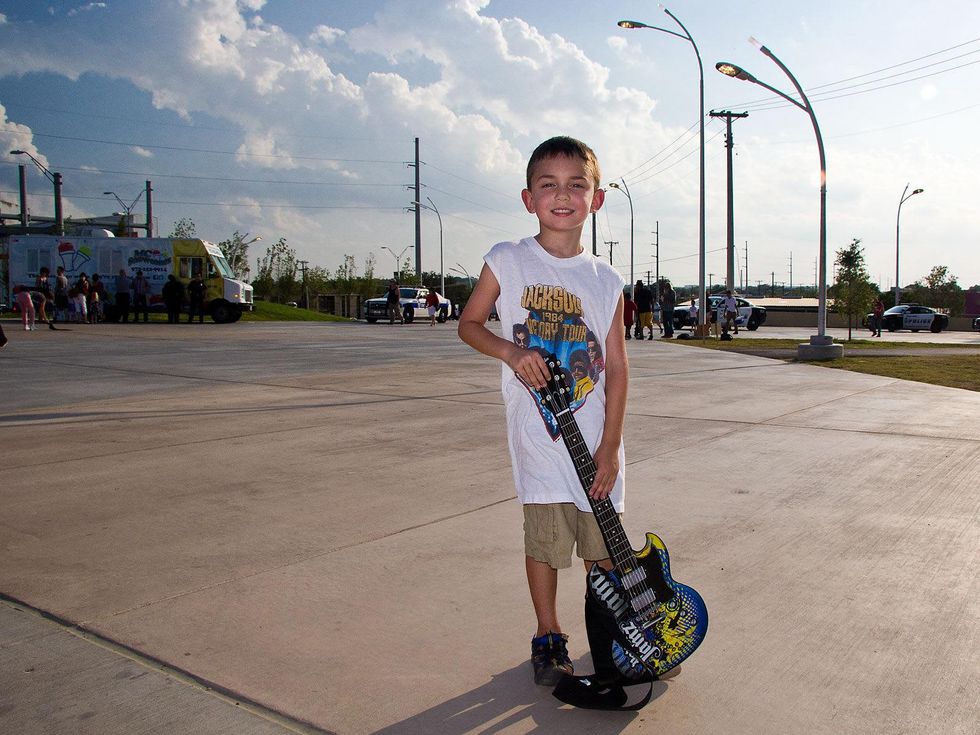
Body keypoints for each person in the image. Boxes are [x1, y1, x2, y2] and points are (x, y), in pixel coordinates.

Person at [458, 136, 628, 687]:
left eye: (576, 184)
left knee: (603, 552)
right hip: (541, 440)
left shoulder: (606, 279)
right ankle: (548, 634)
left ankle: (611, 636)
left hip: (596, 440)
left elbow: (618, 368)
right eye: (548, 185)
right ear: (528, 198)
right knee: (546, 545)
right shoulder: (507, 259)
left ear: (596, 199)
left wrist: (610, 448)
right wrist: (511, 352)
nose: (563, 195)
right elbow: (470, 324)